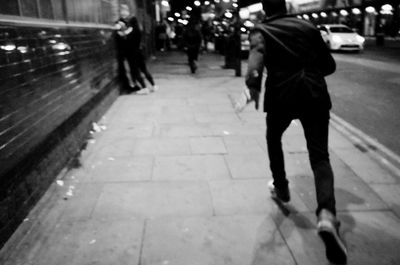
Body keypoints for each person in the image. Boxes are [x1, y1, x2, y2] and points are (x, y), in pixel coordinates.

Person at [240, 0, 347, 264]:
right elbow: (329, 65)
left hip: (282, 97)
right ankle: (326, 215)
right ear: (287, 6)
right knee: (320, 157)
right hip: (314, 94)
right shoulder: (308, 27)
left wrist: (253, 86)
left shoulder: (261, 30)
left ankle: (282, 187)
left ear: (266, 9)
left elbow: (256, 57)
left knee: (273, 138)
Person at [114, 5, 146, 93]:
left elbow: (135, 33)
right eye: (121, 11)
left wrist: (124, 31)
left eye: (125, 11)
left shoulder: (132, 21)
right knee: (129, 69)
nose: (123, 13)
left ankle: (142, 86)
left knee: (135, 68)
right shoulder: (120, 22)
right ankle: (134, 85)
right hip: (125, 51)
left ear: (128, 11)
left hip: (133, 50)